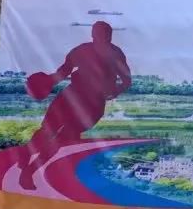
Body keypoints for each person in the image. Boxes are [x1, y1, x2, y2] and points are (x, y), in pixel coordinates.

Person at [19, 21, 131, 190]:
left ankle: (28, 171)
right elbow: (63, 72)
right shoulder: (83, 50)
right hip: (71, 96)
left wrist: (115, 91)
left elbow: (127, 80)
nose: (101, 37)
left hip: (92, 105)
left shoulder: (115, 54)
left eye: (104, 34)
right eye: (98, 33)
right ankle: (26, 158)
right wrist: (47, 82)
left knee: (59, 140)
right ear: (93, 35)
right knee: (47, 131)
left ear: (109, 36)